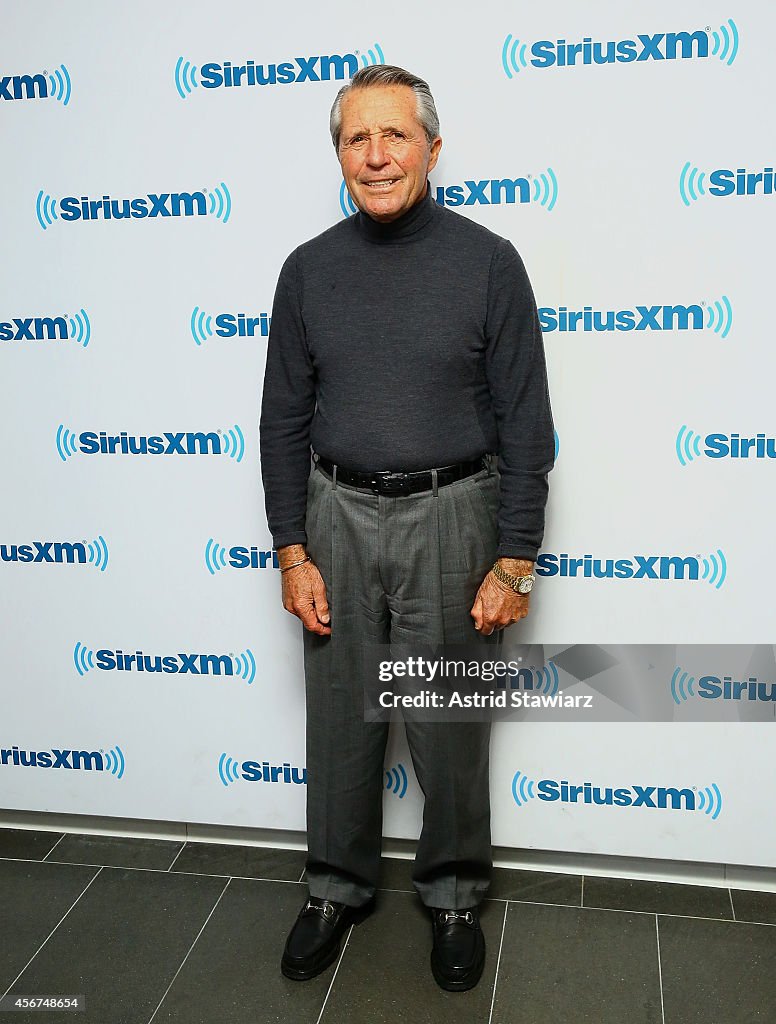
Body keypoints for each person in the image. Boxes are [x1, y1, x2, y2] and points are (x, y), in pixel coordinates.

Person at [259, 64, 554, 992]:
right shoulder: (307, 271)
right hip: (334, 515)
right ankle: (335, 887)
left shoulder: (489, 261)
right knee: (342, 719)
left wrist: (514, 557)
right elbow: (282, 420)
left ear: (433, 146)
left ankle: (456, 894)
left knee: (446, 724)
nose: (377, 157)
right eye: (357, 139)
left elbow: (525, 422)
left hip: (453, 514)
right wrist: (290, 546)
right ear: (339, 154)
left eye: (395, 136)